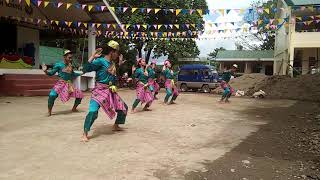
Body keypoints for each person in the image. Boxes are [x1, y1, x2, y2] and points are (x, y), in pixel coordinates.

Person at [82, 40, 128, 142]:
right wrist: (92, 57)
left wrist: (119, 65)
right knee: (93, 112)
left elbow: (114, 76)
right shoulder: (100, 61)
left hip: (110, 90)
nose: (118, 55)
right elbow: (86, 69)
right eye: (117, 52)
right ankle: (85, 133)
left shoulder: (112, 63)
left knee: (123, 108)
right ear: (112, 52)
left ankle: (116, 125)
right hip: (99, 90)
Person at [42, 50, 84, 116]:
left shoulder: (71, 65)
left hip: (69, 84)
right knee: (52, 95)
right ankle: (49, 111)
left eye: (71, 57)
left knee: (80, 95)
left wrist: (81, 73)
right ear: (64, 57)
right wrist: (45, 71)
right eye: (69, 57)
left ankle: (74, 109)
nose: (71, 59)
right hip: (60, 83)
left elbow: (72, 74)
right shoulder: (58, 65)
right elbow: (51, 73)